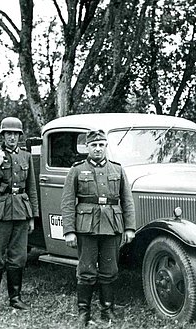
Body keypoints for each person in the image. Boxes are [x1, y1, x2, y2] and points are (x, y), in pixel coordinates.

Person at [61, 130, 136, 327]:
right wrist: (69, 230)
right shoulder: (76, 170)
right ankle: (83, 311)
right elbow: (68, 202)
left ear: (106, 147)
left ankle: (107, 309)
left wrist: (130, 228)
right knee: (86, 269)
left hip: (112, 226)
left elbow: (127, 201)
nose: (98, 149)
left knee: (110, 269)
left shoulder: (117, 170)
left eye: (101, 145)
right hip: (86, 227)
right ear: (87, 147)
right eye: (94, 145)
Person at [0, 117, 39, 313]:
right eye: (8, 134)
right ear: (2, 135)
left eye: (15, 134)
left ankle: (15, 298)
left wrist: (32, 216)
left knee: (18, 257)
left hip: (20, 211)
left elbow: (32, 188)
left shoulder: (26, 156)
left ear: (20, 136)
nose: (12, 137)